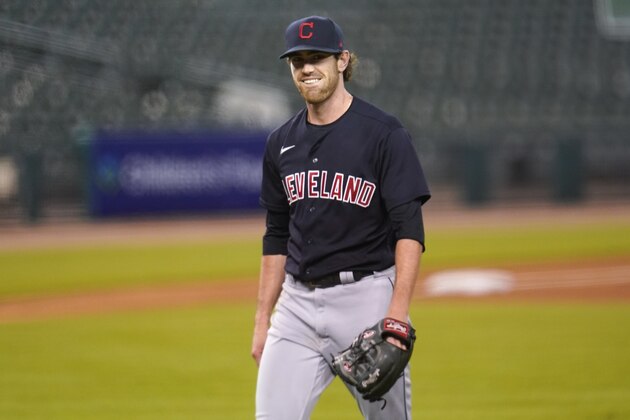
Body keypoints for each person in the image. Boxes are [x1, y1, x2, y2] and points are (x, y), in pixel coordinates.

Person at [252, 15, 431, 420]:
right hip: (295, 307)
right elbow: (276, 235)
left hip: (366, 301)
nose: (308, 68)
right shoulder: (280, 142)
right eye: (298, 61)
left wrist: (396, 316)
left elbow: (409, 229)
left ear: (343, 60)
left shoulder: (384, 133)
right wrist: (262, 318)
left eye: (318, 57)